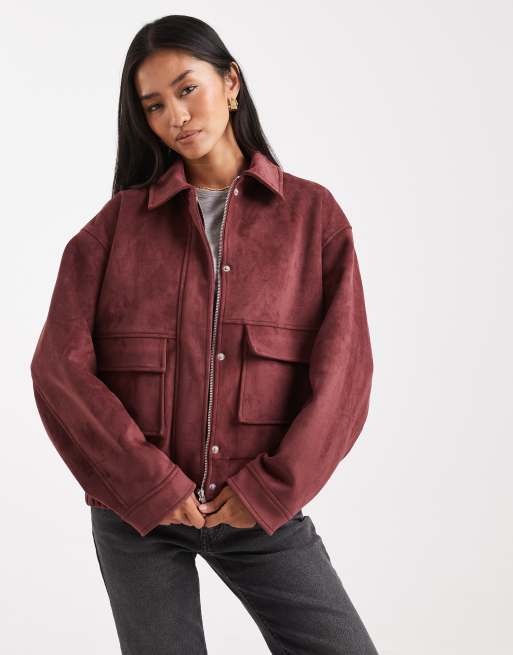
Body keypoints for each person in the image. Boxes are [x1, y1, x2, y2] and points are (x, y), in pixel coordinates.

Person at [30, 14, 379, 655]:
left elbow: (345, 377)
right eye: (154, 105)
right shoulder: (115, 227)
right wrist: (150, 486)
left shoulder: (313, 218)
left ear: (231, 83)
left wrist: (271, 489)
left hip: (257, 507)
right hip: (138, 514)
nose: (177, 116)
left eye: (187, 89)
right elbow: (59, 370)